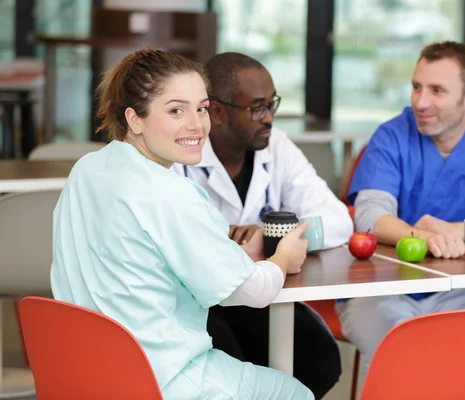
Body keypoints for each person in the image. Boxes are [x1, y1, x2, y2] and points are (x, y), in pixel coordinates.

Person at [50, 48, 315, 400]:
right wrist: (283, 258)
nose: (197, 125)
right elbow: (255, 292)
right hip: (161, 378)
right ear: (135, 119)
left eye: (202, 108)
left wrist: (237, 253)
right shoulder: (170, 192)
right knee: (294, 393)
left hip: (85, 373)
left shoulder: (86, 170)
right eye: (176, 110)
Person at [336, 41, 465, 369]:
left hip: (458, 290)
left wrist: (458, 231)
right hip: (383, 289)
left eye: (437, 90)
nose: (421, 102)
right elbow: (369, 216)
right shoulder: (390, 136)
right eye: (417, 87)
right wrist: (425, 237)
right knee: (405, 357)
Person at [172, 52, 352, 399]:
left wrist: (270, 235)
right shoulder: (182, 151)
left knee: (320, 361)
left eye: (272, 104)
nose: (269, 118)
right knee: (231, 374)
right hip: (202, 303)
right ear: (218, 111)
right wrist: (225, 236)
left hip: (262, 293)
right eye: (257, 108)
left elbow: (338, 220)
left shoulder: (276, 146)